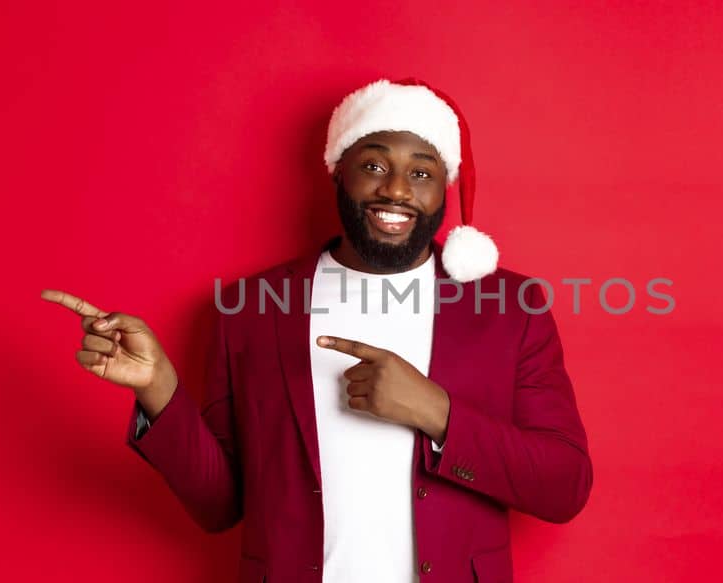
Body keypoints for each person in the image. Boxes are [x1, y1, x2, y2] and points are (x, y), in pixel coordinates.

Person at [41, 78, 593, 583]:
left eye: (421, 172)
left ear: (443, 187)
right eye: (374, 165)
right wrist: (159, 388)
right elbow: (219, 507)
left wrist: (435, 411)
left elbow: (564, 486)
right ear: (338, 169)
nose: (397, 190)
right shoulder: (250, 308)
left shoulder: (508, 307)